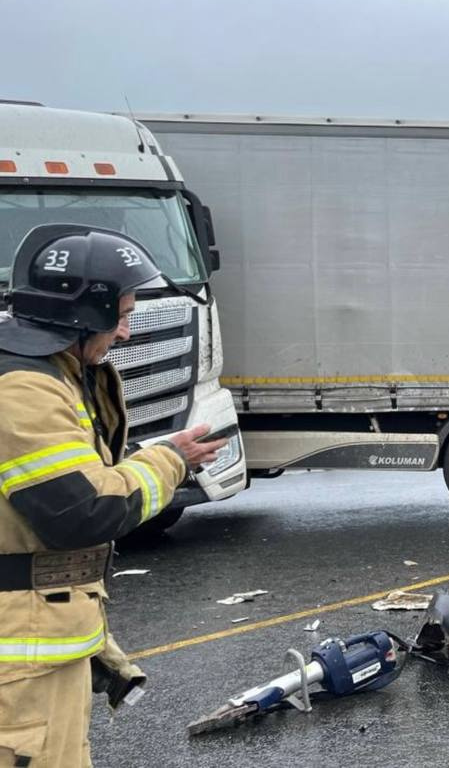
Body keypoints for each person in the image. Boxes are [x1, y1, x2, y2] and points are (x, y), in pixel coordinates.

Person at [0, 225, 227, 767]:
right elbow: (85, 511)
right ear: (85, 316)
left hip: (37, 639)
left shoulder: (46, 375)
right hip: (21, 655)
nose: (125, 333)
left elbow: (72, 479)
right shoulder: (24, 390)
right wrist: (171, 461)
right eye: (122, 316)